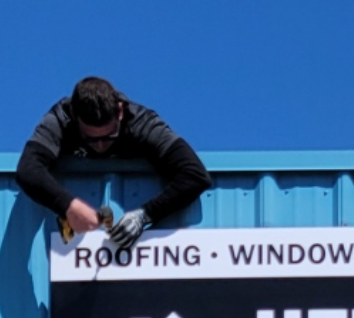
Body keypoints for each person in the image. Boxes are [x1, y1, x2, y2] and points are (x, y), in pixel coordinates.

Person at [15, 74, 209, 255]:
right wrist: (68, 206)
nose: (99, 146)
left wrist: (145, 215)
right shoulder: (60, 119)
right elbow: (28, 170)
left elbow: (195, 174)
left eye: (109, 137)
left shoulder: (141, 123)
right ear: (75, 117)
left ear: (120, 112)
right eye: (89, 140)